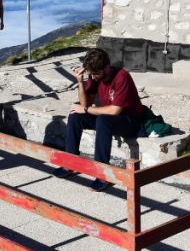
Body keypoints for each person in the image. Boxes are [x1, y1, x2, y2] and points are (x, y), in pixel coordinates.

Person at [55, 48, 146, 191]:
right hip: (111, 118)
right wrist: (80, 82)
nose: (94, 76)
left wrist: (85, 109)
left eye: (96, 73)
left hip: (132, 121)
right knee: (75, 115)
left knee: (103, 120)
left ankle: (102, 173)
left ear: (106, 67)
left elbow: (115, 110)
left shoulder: (122, 77)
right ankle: (70, 162)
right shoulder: (94, 75)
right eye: (91, 74)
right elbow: (85, 104)